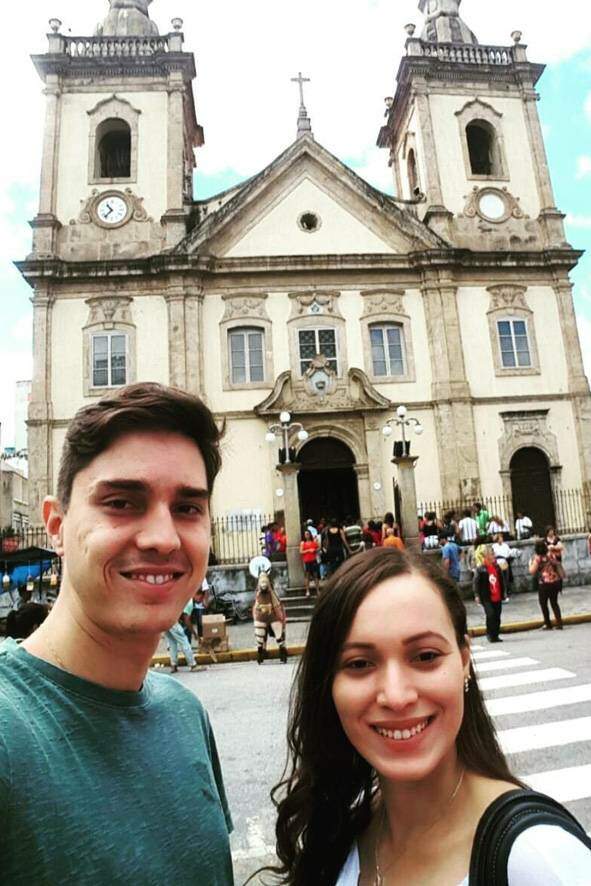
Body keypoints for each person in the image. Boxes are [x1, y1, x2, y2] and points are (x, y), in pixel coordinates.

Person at [0, 383, 234, 884]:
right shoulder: (9, 730)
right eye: (123, 502)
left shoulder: (185, 714)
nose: (162, 538)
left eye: (188, 508)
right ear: (56, 525)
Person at [264, 548, 591, 885]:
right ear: (328, 684)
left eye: (425, 656)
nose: (397, 696)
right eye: (359, 664)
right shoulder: (344, 831)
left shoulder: (539, 860)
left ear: (464, 662)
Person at [252, 572, 287, 664]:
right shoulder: (268, 593)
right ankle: (281, 653)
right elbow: (277, 605)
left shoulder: (260, 594)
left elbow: (256, 607)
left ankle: (262, 654)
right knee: (277, 636)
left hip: (266, 616)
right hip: (269, 616)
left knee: (262, 636)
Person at [529, 540, 564, 630]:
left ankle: (548, 623)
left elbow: (532, 571)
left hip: (544, 583)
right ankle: (559, 623)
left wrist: (530, 564)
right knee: (554, 603)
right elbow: (557, 560)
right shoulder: (550, 555)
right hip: (554, 581)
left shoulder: (537, 558)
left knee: (543, 604)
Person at [474, 545, 504, 643]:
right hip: (486, 595)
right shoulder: (481, 569)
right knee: (490, 614)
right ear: (486, 556)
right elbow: (476, 582)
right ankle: (490, 633)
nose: (493, 556)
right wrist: (477, 595)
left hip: (497, 594)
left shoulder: (497, 567)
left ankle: (495, 634)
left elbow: (501, 580)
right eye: (491, 554)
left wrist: (504, 592)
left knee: (497, 615)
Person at [165, 602, 202, 673]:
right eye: (202, 597)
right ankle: (193, 665)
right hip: (171, 619)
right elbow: (187, 620)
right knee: (184, 641)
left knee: (172, 642)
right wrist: (195, 634)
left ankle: (174, 666)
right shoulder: (189, 602)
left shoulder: (186, 598)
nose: (201, 601)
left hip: (164, 618)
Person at [299, 529, 319, 597]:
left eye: (308, 534)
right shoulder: (303, 543)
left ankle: (317, 590)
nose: (307, 535)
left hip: (313, 560)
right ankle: (307, 590)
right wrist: (308, 550)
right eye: (305, 534)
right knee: (307, 576)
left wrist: (315, 550)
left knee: (315, 575)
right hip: (307, 561)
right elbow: (301, 552)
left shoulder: (313, 542)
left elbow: (318, 548)